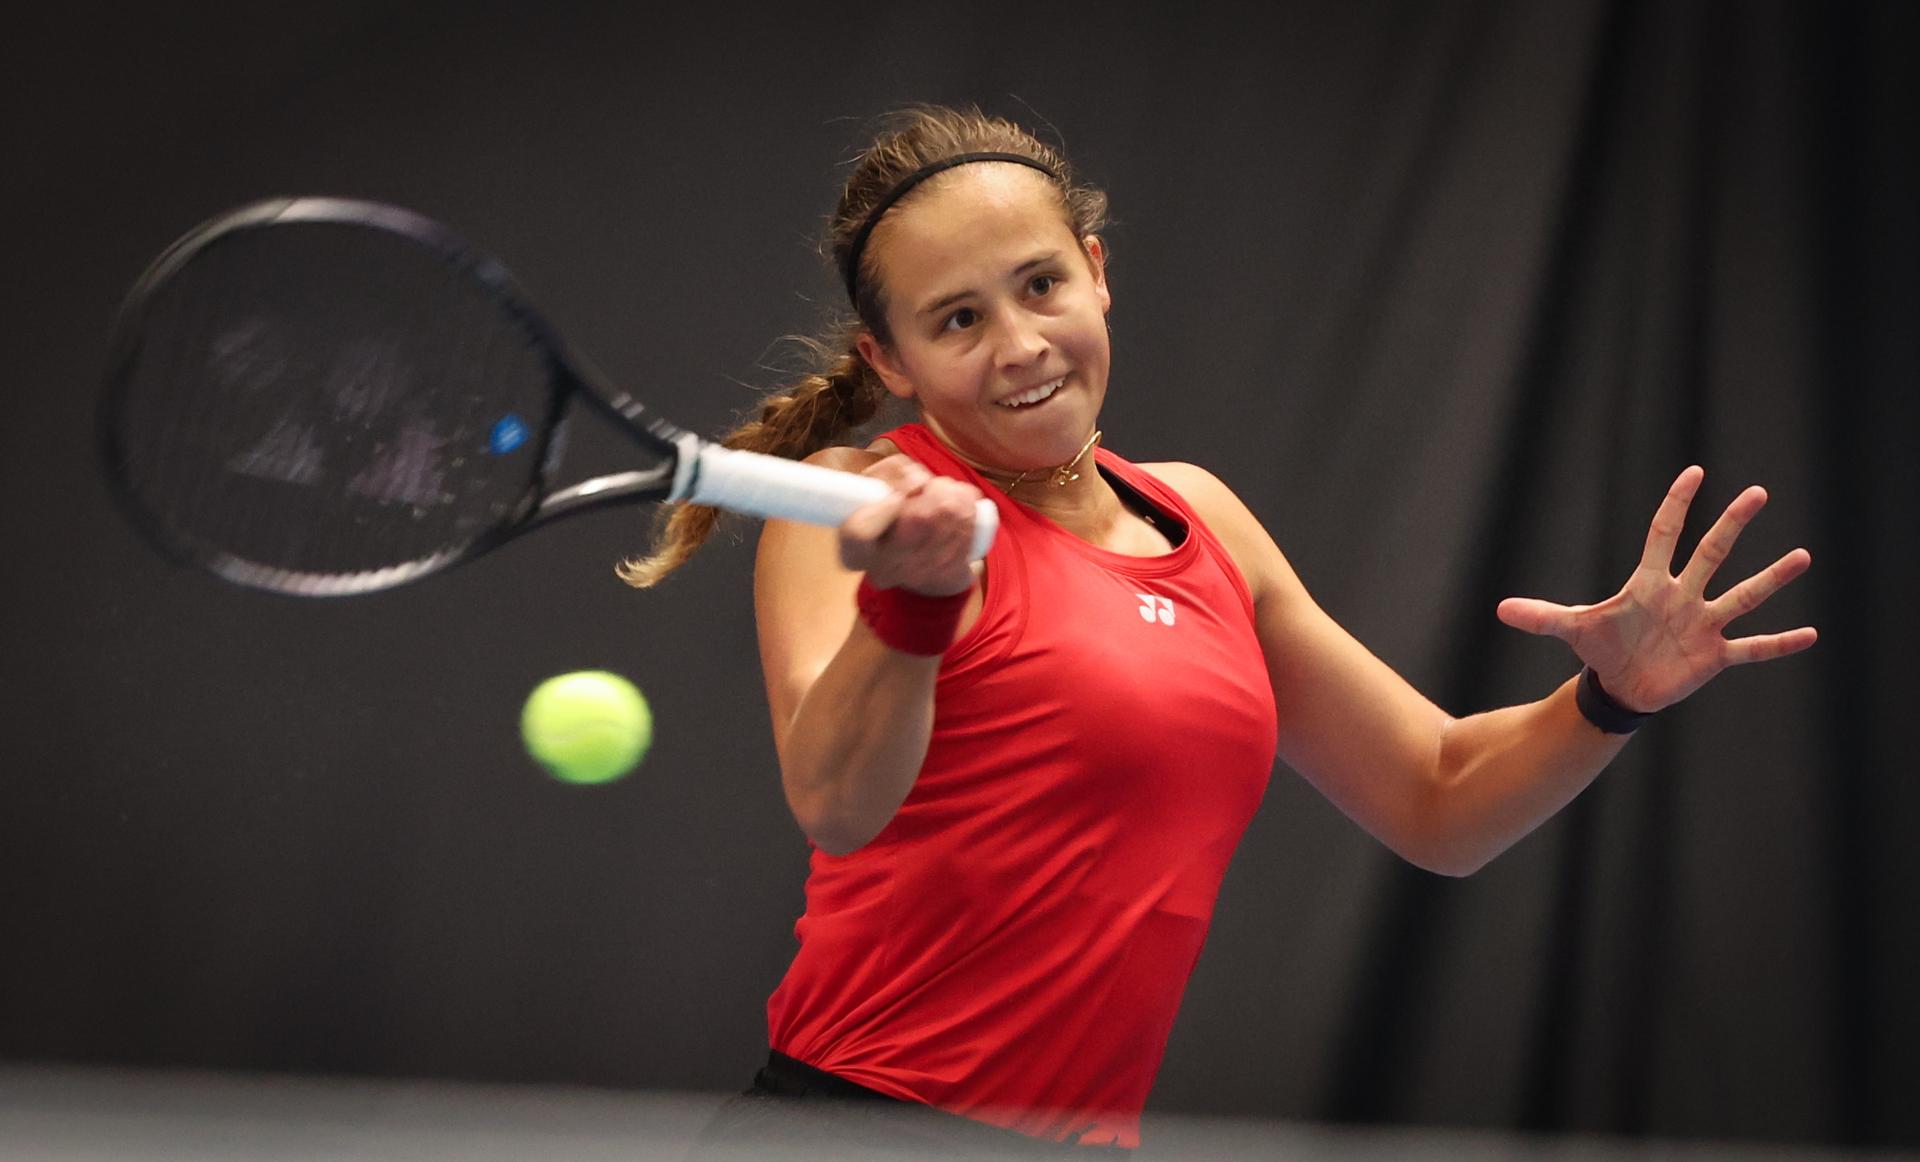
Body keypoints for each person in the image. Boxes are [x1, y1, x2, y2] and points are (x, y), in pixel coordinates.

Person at [622, 106, 1817, 1155]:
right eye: (957, 320)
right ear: (890, 358)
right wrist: (911, 604)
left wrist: (1608, 699)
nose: (1021, 345)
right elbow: (835, 798)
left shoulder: (1202, 517)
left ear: (1096, 270)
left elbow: (1440, 794)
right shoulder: (856, 505)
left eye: (1041, 285)